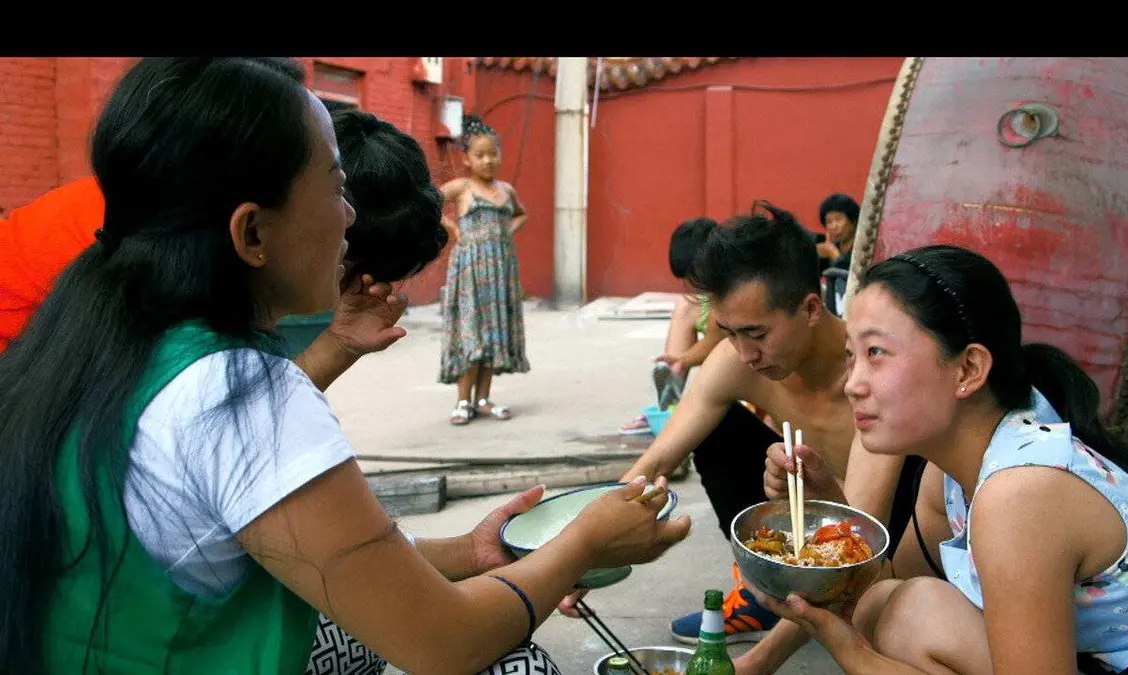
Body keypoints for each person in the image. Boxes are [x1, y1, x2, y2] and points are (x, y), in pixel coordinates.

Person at [0, 57, 691, 675]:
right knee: (514, 663)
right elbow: (445, 643)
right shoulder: (237, 395)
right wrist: (582, 544)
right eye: (334, 187)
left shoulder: (93, 328)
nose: (347, 214)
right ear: (251, 232)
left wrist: (473, 551)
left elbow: (269, 514)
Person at [751, 243, 1128, 674]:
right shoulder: (953, 473)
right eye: (852, 356)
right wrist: (826, 500)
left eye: (876, 353)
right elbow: (881, 584)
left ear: (968, 370)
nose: (853, 383)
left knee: (914, 614)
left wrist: (852, 654)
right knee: (896, 608)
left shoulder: (1020, 495)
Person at [614, 200, 926, 650]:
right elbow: (658, 458)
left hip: (882, 530)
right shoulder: (737, 360)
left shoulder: (872, 379)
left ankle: (819, 604)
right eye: (729, 332)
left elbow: (852, 547)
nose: (744, 353)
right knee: (717, 432)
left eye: (757, 334)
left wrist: (759, 663)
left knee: (871, 594)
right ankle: (762, 586)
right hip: (812, 508)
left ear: (812, 308)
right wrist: (584, 555)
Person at [439, 114, 531, 425]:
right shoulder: (462, 187)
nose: (488, 160)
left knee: (493, 334)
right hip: (470, 270)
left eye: (493, 153)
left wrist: (506, 232)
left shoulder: (506, 189)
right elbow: (428, 203)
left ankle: (483, 399)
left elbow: (521, 215)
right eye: (480, 154)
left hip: (501, 270)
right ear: (466, 158)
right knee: (472, 333)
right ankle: (462, 401)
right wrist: (453, 228)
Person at [621, 216, 722, 435]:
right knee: (685, 305)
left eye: (694, 277)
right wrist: (677, 362)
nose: (691, 285)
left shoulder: (733, 289)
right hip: (714, 357)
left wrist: (683, 360)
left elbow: (718, 339)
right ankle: (667, 405)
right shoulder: (698, 298)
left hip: (746, 369)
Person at [815, 192, 859, 272]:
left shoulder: (862, 246)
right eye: (829, 221)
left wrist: (834, 254)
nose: (834, 226)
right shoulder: (833, 246)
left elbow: (852, 279)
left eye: (838, 219)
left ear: (853, 220)